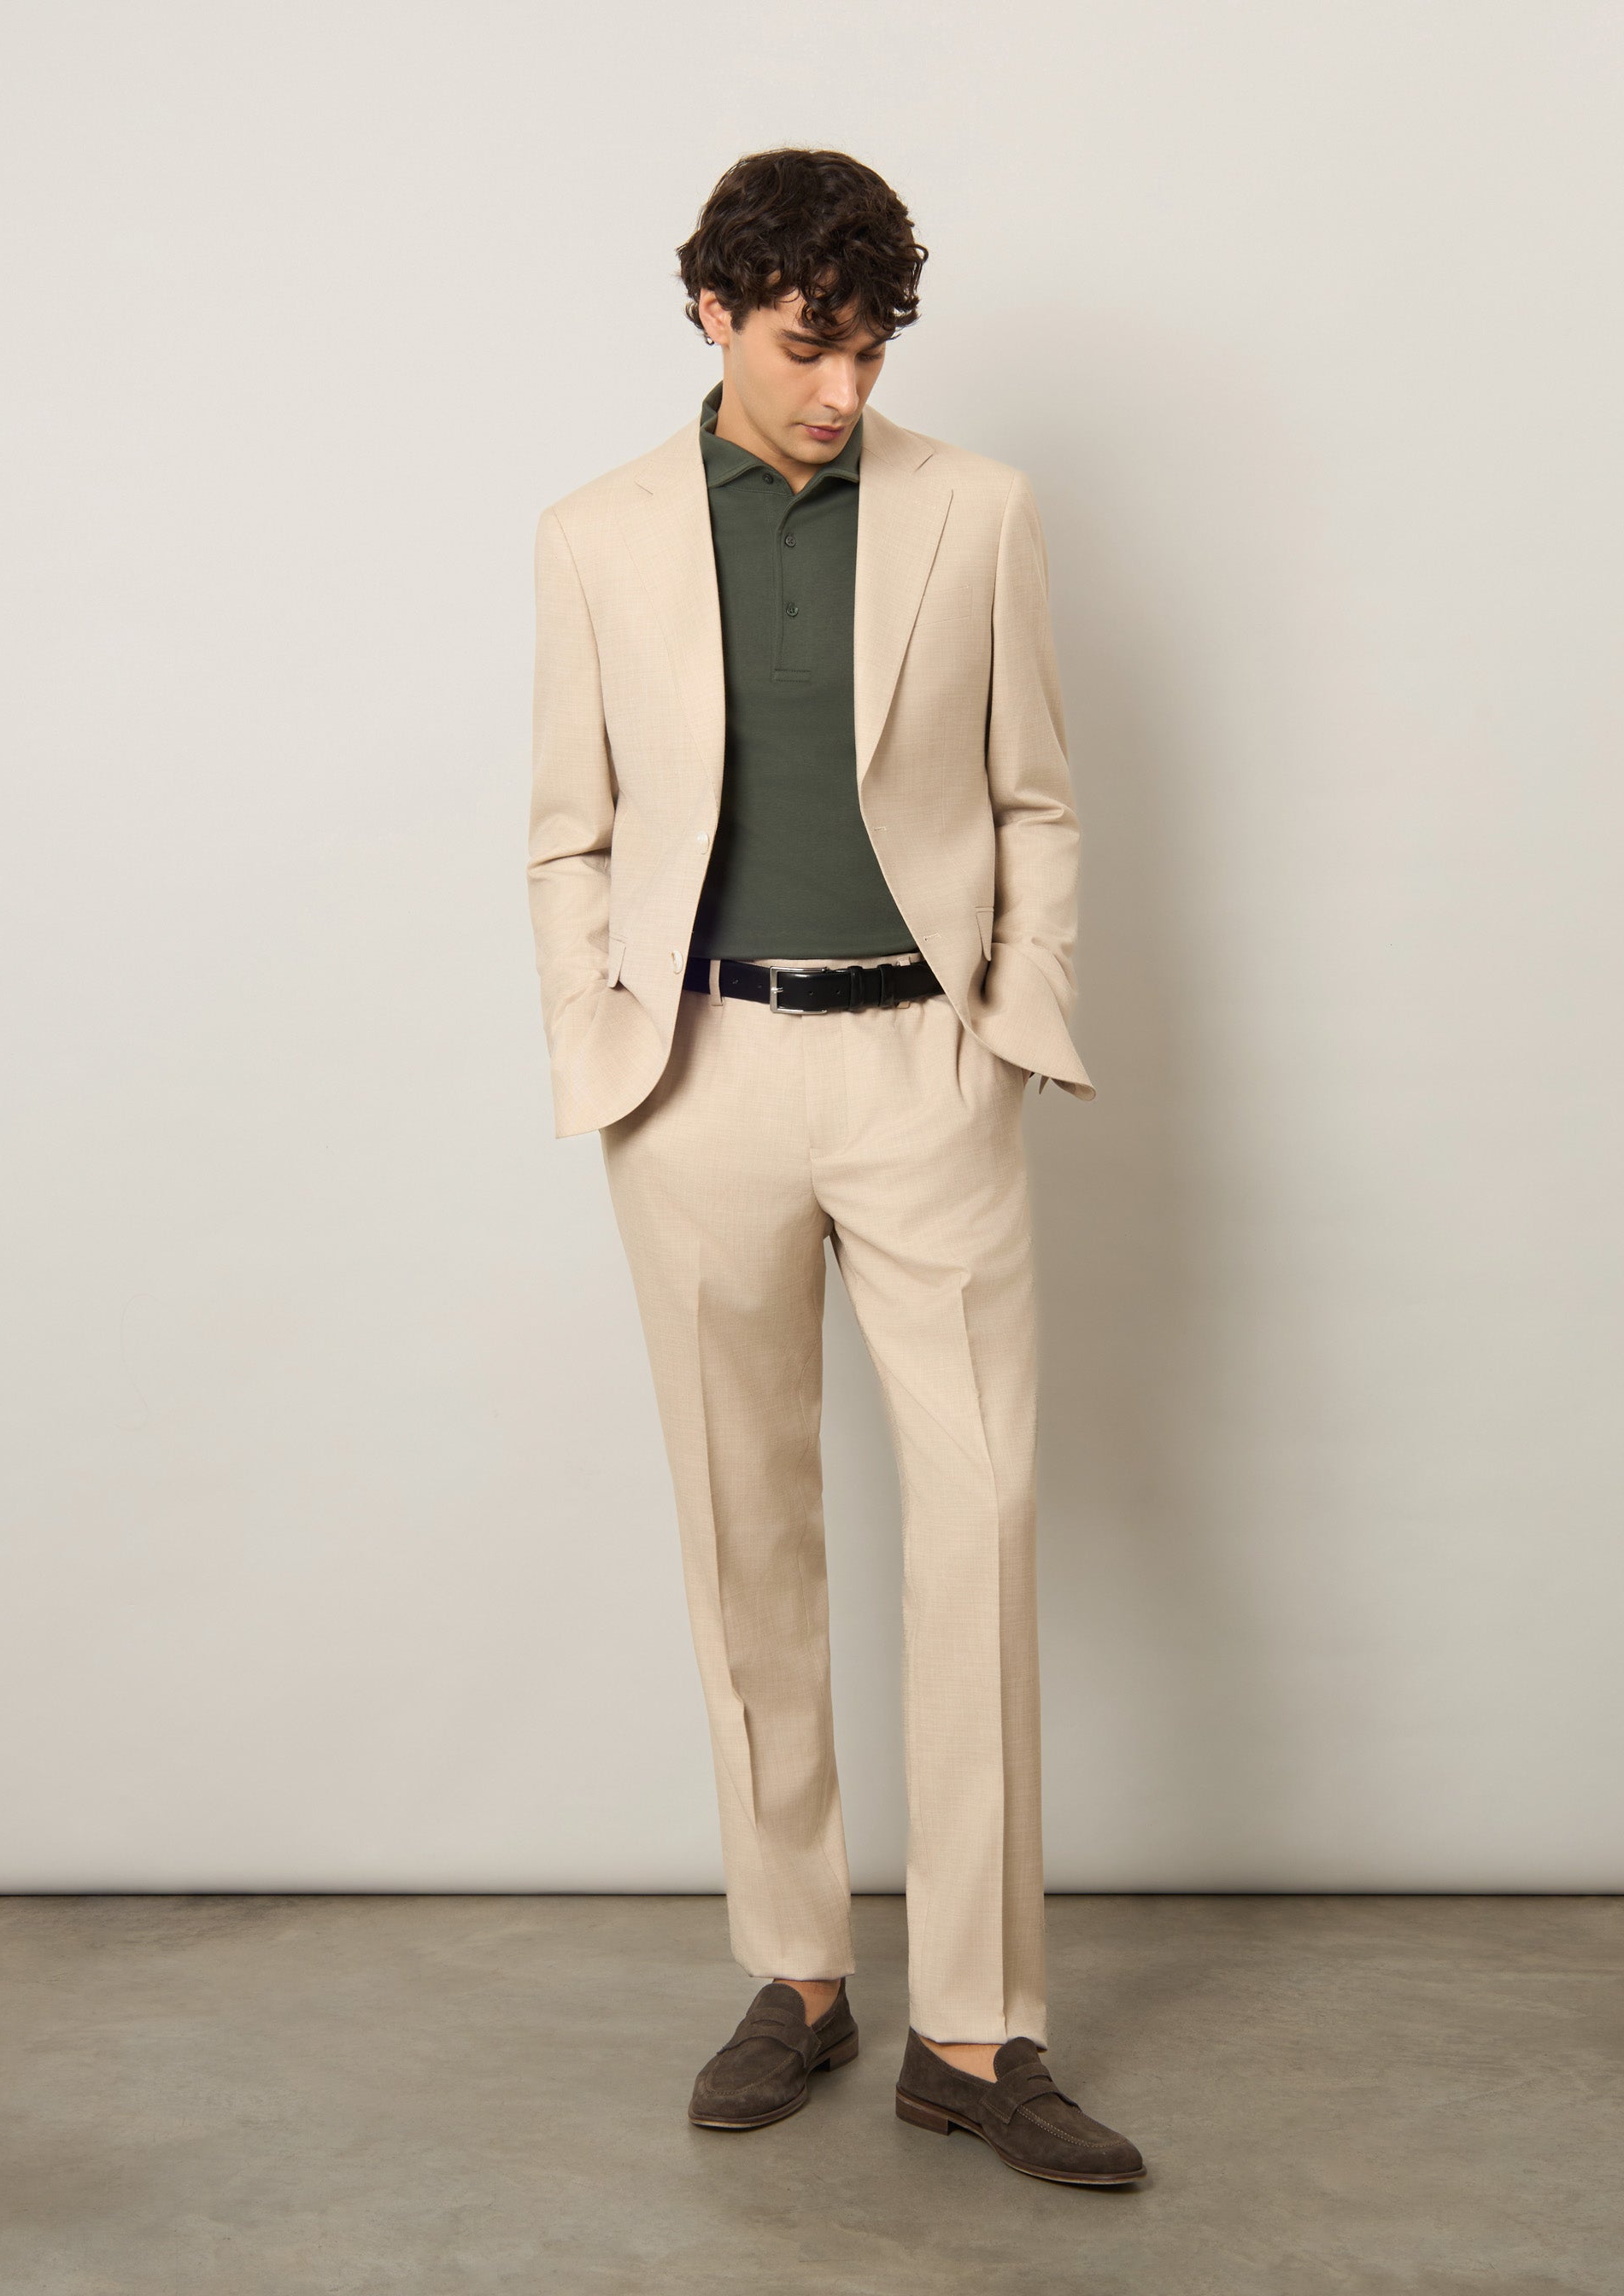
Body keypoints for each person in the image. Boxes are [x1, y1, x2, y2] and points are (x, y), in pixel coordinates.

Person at [525, 146, 1145, 2188]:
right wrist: (605, 1043)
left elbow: (1035, 795)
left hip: (921, 1069)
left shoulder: (979, 511)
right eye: (810, 345)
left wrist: (1010, 1021)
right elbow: (567, 829)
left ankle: (975, 2028)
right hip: (698, 1070)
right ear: (714, 312)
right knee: (748, 1534)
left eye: (873, 349)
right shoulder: (597, 535)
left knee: (979, 1518)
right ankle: (796, 1973)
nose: (845, 390)